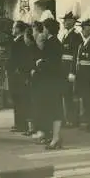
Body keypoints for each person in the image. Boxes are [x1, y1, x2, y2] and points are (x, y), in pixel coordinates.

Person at [38, 17, 64, 149]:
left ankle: (56, 138)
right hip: (54, 81)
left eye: (43, 28)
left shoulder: (51, 43)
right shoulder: (55, 42)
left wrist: (41, 63)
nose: (42, 31)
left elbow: (51, 63)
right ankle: (54, 137)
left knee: (54, 109)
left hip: (51, 82)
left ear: (47, 29)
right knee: (53, 108)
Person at [30, 10, 54, 143]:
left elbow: (42, 58)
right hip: (41, 77)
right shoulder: (41, 39)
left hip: (44, 78)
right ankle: (43, 131)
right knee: (41, 105)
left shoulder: (41, 39)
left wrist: (38, 64)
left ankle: (45, 131)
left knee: (44, 106)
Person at [60, 2, 83, 127]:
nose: (64, 22)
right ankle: (68, 118)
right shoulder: (66, 35)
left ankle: (74, 119)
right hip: (64, 68)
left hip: (70, 69)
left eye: (67, 20)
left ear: (73, 22)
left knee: (72, 95)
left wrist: (72, 71)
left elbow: (76, 55)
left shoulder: (75, 36)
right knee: (66, 95)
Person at [7, 20, 28, 132]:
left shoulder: (21, 42)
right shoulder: (16, 41)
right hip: (14, 74)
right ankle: (18, 123)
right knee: (16, 99)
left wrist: (16, 70)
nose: (12, 30)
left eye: (14, 28)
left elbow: (19, 59)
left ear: (19, 29)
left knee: (20, 99)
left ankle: (21, 124)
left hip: (18, 74)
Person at [22, 27, 40, 136]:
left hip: (32, 79)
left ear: (28, 37)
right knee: (29, 103)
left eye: (25, 37)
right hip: (29, 78)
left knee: (32, 103)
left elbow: (31, 65)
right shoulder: (30, 48)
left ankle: (33, 127)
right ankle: (31, 127)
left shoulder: (32, 49)